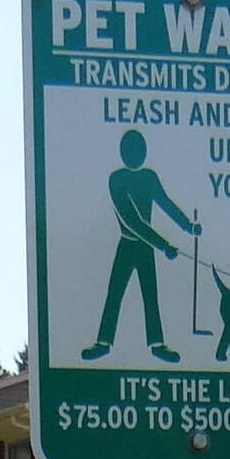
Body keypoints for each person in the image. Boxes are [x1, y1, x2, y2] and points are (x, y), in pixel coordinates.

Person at [81, 129, 199, 362]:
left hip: (146, 249)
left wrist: (188, 226)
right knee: (115, 293)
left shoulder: (149, 177)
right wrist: (164, 245)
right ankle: (103, 342)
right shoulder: (116, 179)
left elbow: (165, 203)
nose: (136, 155)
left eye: (139, 150)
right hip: (128, 244)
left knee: (150, 295)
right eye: (131, 151)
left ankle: (157, 344)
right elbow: (132, 221)